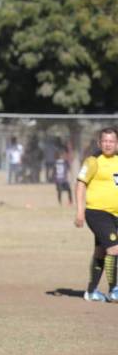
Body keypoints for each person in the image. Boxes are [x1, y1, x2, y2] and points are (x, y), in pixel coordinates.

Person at [75, 127, 118, 302]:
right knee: (114, 249)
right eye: (105, 141)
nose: (108, 144)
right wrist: (79, 211)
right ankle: (114, 290)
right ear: (100, 143)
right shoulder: (93, 161)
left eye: (112, 141)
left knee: (100, 251)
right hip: (97, 213)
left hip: (115, 215)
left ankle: (91, 292)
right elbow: (80, 184)